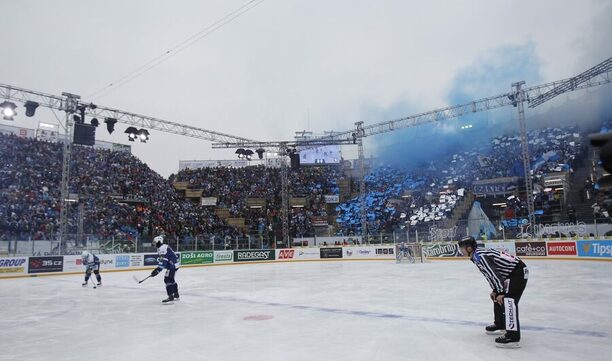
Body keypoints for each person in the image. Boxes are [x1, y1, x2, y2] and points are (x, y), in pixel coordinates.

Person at [458, 236, 529, 348]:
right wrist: (496, 290)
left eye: (462, 248)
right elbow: (489, 274)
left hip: (517, 273)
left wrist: (502, 292)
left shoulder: (480, 256)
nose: (461, 250)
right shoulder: (476, 255)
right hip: (510, 274)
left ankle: (513, 337)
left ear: (469, 248)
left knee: (508, 300)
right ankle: (500, 324)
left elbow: (494, 273)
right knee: (496, 297)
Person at [150, 235, 180, 304]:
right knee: (171, 279)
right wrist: (158, 269)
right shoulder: (161, 247)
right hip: (174, 264)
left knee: (167, 279)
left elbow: (163, 261)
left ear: (159, 242)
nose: (153, 243)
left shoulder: (162, 248)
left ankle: (171, 297)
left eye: (155, 242)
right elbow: (163, 260)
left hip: (172, 265)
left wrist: (157, 270)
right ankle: (176, 294)